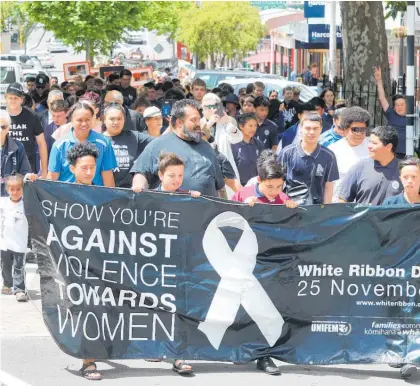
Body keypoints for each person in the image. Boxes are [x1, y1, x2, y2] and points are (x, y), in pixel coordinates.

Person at [232, 151, 297, 376]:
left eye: (279, 186)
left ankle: (264, 355)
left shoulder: (283, 199)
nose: (275, 191)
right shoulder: (243, 195)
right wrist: (242, 209)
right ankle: (239, 350)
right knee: (241, 310)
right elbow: (225, 220)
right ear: (259, 181)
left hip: (271, 266)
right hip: (245, 263)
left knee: (266, 311)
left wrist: (292, 209)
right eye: (270, 187)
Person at [131, 99, 225, 196]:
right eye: (193, 120)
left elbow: (220, 187)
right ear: (179, 122)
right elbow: (141, 173)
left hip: (207, 209)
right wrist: (139, 191)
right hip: (170, 209)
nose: (198, 124)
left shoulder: (207, 147)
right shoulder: (158, 144)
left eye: (198, 119)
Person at [47, 102, 117, 187]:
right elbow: (52, 178)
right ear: (71, 120)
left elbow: (107, 175)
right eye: (79, 120)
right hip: (66, 197)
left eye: (87, 119)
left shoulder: (104, 143)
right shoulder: (59, 145)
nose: (84, 124)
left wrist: (111, 199)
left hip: (95, 197)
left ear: (93, 119)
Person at [278, 112, 339, 205]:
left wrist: (327, 209)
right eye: (308, 128)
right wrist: (281, 203)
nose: (311, 132)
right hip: (290, 207)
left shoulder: (329, 156)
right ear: (301, 129)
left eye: (315, 128)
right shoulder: (287, 153)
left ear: (321, 129)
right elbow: (278, 181)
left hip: (317, 209)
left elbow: (329, 185)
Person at [339, 126, 402, 205]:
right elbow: (343, 200)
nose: (369, 146)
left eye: (374, 143)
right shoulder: (360, 167)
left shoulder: (404, 170)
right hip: (365, 217)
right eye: (370, 142)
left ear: (388, 146)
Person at [0, 173, 36, 302]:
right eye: (12, 189)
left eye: (18, 189)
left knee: (19, 266)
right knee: (5, 265)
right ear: (7, 189)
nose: (15, 192)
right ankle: (8, 284)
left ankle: (19, 290)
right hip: (4, 242)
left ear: (23, 189)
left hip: (20, 243)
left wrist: (31, 178)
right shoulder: (2, 202)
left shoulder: (27, 205)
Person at [102, 104, 152, 188]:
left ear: (124, 120)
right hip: (105, 191)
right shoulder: (99, 140)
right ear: (104, 120)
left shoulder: (134, 136)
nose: (116, 122)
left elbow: (158, 142)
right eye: (112, 119)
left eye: (119, 118)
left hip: (130, 192)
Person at [5, 83, 48, 178]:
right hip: (5, 167)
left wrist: (44, 171)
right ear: (6, 98)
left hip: (27, 168)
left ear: (21, 99)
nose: (13, 100)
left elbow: (41, 143)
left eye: (16, 98)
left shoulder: (32, 116)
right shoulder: (1, 116)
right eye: (10, 97)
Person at [328, 107, 371, 202]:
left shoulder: (373, 147)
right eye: (355, 129)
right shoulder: (333, 150)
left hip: (365, 204)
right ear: (345, 129)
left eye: (363, 130)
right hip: (339, 204)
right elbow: (328, 182)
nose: (359, 133)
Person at [374, 66, 406, 158]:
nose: (399, 107)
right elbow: (382, 98)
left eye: (402, 104)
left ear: (407, 106)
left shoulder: (412, 116)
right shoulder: (391, 114)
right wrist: (379, 80)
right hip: (391, 152)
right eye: (397, 105)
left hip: (408, 153)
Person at [0, 110, 32, 196]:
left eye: (3, 127)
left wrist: (28, 176)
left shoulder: (18, 146)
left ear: (9, 128)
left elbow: (25, 172)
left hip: (11, 196)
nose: (0, 130)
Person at [231, 113, 265, 186]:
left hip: (256, 185)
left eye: (255, 125)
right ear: (241, 126)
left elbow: (263, 165)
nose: (253, 129)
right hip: (238, 186)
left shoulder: (258, 144)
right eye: (250, 125)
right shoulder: (233, 144)